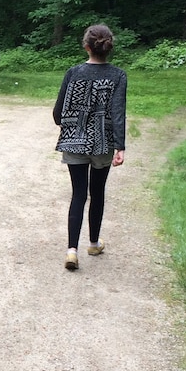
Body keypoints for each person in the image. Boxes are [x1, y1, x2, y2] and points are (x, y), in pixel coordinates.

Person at [53, 24, 127, 271]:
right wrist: (120, 146)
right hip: (102, 144)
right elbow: (117, 113)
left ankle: (71, 250)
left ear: (86, 46)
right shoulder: (118, 76)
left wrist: (70, 124)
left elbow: (57, 113)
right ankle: (93, 243)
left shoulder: (73, 73)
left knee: (77, 194)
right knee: (97, 193)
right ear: (109, 49)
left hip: (74, 139)